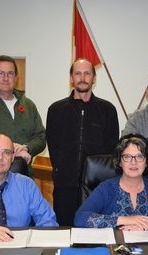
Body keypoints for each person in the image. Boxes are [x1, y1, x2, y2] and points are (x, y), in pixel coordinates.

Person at [46, 58, 119, 226]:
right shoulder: (56, 110)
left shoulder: (107, 110)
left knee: (96, 233)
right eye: (77, 73)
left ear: (94, 79)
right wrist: (61, 171)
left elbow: (111, 149)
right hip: (65, 185)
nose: (82, 77)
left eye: (87, 73)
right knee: (65, 231)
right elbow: (53, 146)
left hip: (97, 187)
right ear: (71, 78)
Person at [74, 134, 148, 230]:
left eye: (139, 156)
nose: (133, 162)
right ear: (120, 162)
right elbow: (80, 218)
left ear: (147, 161)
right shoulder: (106, 188)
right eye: (127, 157)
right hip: (114, 250)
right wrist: (124, 220)